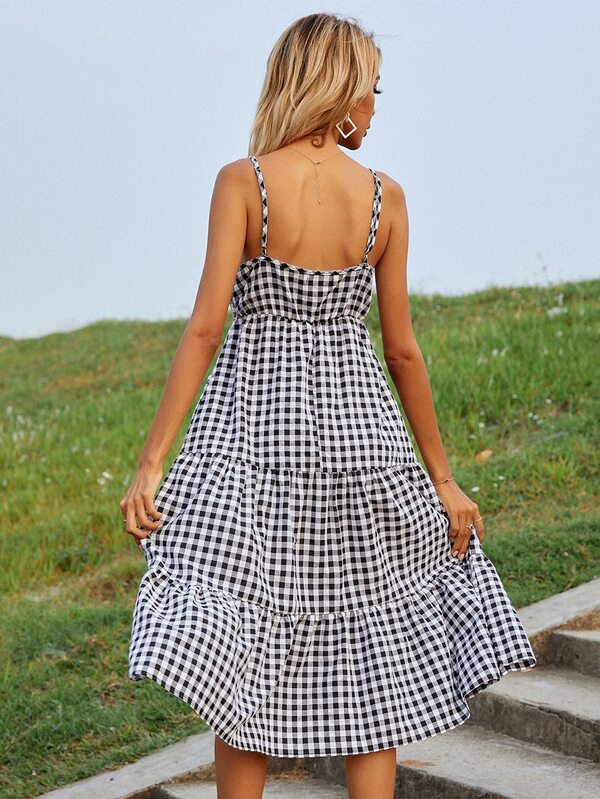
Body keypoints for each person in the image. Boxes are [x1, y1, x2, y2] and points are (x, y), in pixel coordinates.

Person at [121, 12, 537, 799]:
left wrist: (152, 463)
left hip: (253, 435)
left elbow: (206, 328)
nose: (375, 107)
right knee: (367, 655)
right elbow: (403, 351)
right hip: (362, 440)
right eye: (372, 90)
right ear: (340, 93)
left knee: (245, 643)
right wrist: (443, 479)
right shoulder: (384, 199)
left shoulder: (244, 182)